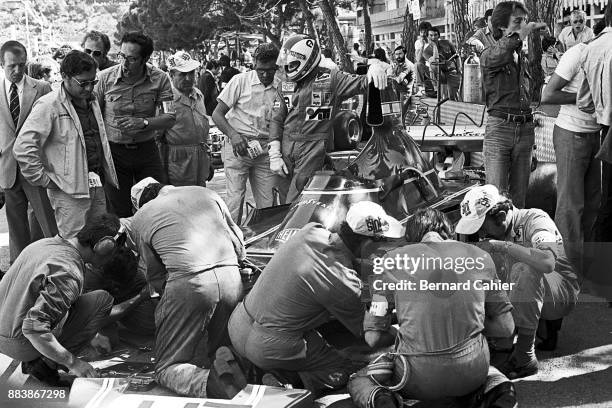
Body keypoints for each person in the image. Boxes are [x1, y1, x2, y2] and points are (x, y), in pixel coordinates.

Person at [229, 202, 403, 397]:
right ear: (367, 244)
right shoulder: (342, 282)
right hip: (270, 346)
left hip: (238, 324)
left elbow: (335, 261)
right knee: (346, 369)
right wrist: (405, 332)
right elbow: (372, 337)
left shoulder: (311, 231)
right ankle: (288, 381)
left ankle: (255, 367)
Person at [348, 208, 517, 408]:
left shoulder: (388, 262)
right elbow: (506, 328)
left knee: (359, 379)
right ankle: (500, 393)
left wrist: (406, 333)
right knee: (492, 374)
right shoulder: (481, 257)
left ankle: (380, 400)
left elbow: (373, 337)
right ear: (449, 232)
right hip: (472, 371)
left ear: (411, 239)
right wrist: (468, 324)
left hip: (417, 376)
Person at [129, 178, 246, 398]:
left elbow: (154, 275)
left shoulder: (141, 216)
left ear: (142, 202)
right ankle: (241, 374)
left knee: (166, 367)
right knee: (224, 347)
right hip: (231, 276)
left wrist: (173, 307)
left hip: (190, 282)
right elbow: (239, 243)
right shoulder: (205, 193)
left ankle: (210, 384)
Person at [455, 185, 579, 379]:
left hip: (560, 291)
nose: (479, 234)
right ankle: (507, 337)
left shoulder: (535, 219)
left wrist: (502, 246)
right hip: (527, 289)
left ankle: (525, 356)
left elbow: (547, 262)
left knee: (525, 269)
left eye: (481, 226)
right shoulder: (495, 230)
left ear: (502, 215)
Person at [0, 213, 121, 386]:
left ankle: (41, 356)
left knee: (80, 301)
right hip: (20, 343)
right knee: (102, 300)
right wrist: (73, 362)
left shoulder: (44, 244)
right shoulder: (69, 271)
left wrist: (90, 332)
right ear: (103, 246)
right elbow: (33, 329)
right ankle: (46, 365)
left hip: (3, 332)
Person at [269, 34, 388, 202]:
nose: (288, 68)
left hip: (312, 149)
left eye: (293, 63)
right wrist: (274, 155)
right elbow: (276, 119)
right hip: (284, 148)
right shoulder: (285, 83)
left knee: (295, 204)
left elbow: (368, 82)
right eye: (287, 63)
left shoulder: (332, 78)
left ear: (307, 60)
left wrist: (374, 66)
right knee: (277, 206)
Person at [15, 51, 119, 239]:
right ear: (65, 77)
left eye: (92, 82)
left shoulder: (92, 100)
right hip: (68, 192)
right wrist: (45, 179)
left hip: (97, 183)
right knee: (75, 246)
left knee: (102, 242)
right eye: (83, 83)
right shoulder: (49, 105)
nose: (89, 88)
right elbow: (23, 148)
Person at [95, 31, 176, 217]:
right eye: (121, 56)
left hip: (147, 151)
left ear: (145, 59)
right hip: (114, 154)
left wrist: (143, 122)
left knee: (156, 206)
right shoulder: (104, 79)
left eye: (131, 59)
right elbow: (93, 117)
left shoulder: (161, 78)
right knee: (119, 211)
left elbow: (170, 117)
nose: (124, 63)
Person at [542, 31, 602, 275]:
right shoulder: (577, 54)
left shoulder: (602, 55)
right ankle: (565, 267)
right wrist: (583, 96)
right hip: (571, 134)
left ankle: (583, 264)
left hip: (594, 135)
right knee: (570, 204)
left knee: (592, 202)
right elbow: (548, 95)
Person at [480, 1, 547, 209]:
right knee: (496, 201)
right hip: (500, 129)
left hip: (525, 129)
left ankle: (516, 239)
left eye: (525, 21)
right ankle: (495, 241)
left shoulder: (521, 57)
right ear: (502, 27)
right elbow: (498, 54)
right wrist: (520, 34)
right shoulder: (490, 54)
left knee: (518, 201)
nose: (524, 26)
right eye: (517, 21)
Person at [212, 44, 285, 223]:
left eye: (270, 70)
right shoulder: (239, 81)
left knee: (268, 203)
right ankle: (230, 242)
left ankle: (265, 242)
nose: (265, 75)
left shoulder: (283, 86)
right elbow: (217, 114)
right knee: (235, 200)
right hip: (238, 147)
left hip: (266, 150)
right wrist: (233, 135)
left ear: (277, 66)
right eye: (261, 70)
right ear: (254, 64)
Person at [0, 40, 57, 264]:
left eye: (21, 65)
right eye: (11, 66)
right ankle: (19, 270)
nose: (17, 70)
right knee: (16, 228)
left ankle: (50, 264)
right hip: (7, 169)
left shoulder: (41, 88)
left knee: (46, 222)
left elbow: (52, 128)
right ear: (1, 64)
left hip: (36, 166)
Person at [577, 6, 612, 243]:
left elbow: (584, 101)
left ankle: (599, 272)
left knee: (608, 200)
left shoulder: (592, 47)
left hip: (605, 129)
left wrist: (603, 109)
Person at [159, 51, 212, 187]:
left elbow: (204, 127)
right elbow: (157, 138)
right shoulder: (167, 99)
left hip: (200, 160)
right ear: (171, 75)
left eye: (191, 73)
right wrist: (161, 171)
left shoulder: (198, 94)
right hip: (178, 163)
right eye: (182, 74)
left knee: (200, 200)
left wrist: (208, 159)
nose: (188, 78)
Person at [423, 27, 461, 101]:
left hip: (452, 72)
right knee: (433, 65)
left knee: (453, 97)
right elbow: (434, 61)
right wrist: (434, 46)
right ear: (427, 37)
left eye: (435, 35)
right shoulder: (426, 51)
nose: (433, 37)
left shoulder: (447, 43)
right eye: (431, 35)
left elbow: (457, 56)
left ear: (439, 36)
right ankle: (436, 88)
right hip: (439, 74)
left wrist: (459, 69)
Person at [414, 21, 435, 97]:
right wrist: (422, 46)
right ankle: (421, 89)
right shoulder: (418, 43)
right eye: (421, 32)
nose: (422, 35)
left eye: (424, 32)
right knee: (417, 64)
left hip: (434, 70)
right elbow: (418, 60)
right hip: (425, 71)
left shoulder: (433, 42)